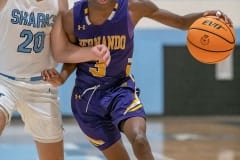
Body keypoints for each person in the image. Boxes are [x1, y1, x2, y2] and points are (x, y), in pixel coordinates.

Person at [43, 0, 233, 160]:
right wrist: (62, 78)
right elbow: (71, 58)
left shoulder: (133, 8)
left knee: (140, 139)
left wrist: (210, 14)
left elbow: (181, 22)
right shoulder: (71, 18)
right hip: (86, 101)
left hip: (120, 89)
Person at [0, 0, 110, 160]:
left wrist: (92, 52)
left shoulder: (59, 3)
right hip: (4, 80)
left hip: (40, 86)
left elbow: (61, 50)